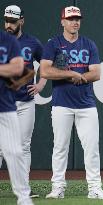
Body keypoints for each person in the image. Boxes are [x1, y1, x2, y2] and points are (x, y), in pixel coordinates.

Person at [40, 6, 103, 199]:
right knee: (60, 147)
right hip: (61, 103)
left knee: (91, 148)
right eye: (71, 19)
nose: (75, 22)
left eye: (77, 19)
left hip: (86, 104)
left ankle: (95, 188)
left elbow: (96, 73)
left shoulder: (88, 44)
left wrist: (80, 77)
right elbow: (45, 71)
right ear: (62, 21)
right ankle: (58, 188)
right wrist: (71, 73)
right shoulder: (53, 43)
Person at [0, 5, 46, 198]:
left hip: (25, 102)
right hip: (3, 103)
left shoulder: (32, 43)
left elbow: (47, 64)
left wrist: (41, 84)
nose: (9, 25)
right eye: (6, 20)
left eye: (12, 21)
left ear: (21, 20)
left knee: (24, 145)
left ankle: (24, 189)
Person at [0, 30, 34, 205]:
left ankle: (24, 197)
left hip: (5, 106)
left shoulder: (7, 40)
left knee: (15, 151)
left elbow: (18, 68)